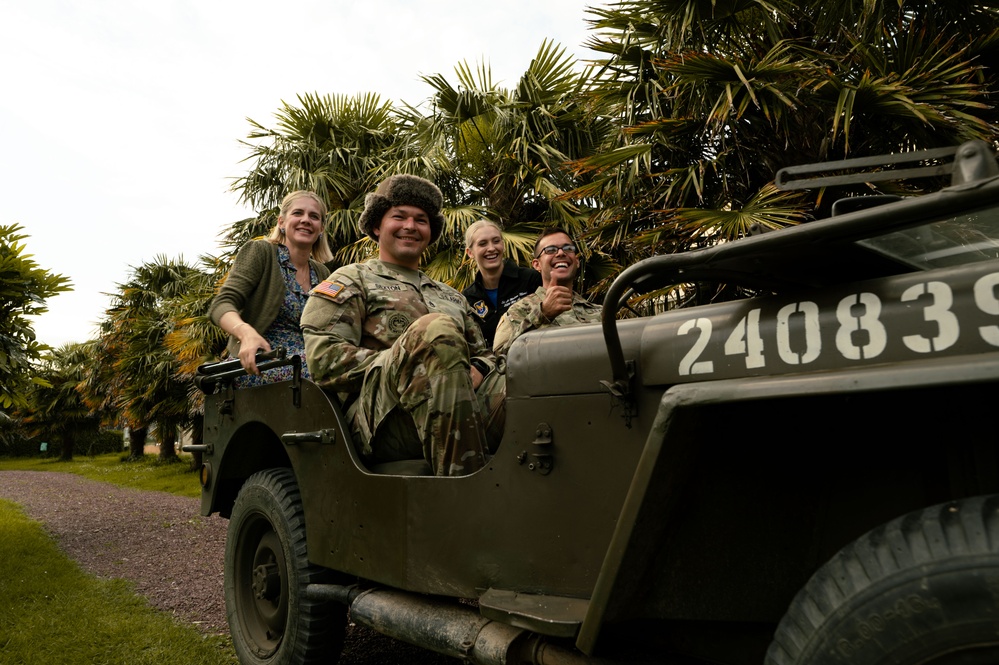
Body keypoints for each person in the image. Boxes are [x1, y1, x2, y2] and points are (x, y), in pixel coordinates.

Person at [301, 175, 504, 477]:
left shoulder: (450, 296)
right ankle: (463, 502)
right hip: (383, 419)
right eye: (399, 216)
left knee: (537, 379)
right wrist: (408, 362)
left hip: (461, 403)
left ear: (429, 232)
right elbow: (323, 359)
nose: (410, 226)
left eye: (421, 220)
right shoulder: (351, 279)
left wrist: (480, 368)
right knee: (435, 331)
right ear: (376, 226)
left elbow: (485, 354)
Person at [209, 190, 334, 384]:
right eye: (297, 213)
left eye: (314, 216)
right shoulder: (262, 253)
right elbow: (221, 305)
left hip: (312, 361)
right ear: (281, 222)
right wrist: (246, 333)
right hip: (262, 362)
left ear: (321, 229)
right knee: (328, 371)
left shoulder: (323, 274)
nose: (306, 220)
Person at [493, 227, 602, 357]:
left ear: (577, 262)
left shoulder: (600, 312)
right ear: (536, 264)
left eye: (568, 249)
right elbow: (501, 360)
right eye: (550, 250)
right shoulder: (518, 311)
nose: (561, 253)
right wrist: (542, 314)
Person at [462, 219, 542, 347]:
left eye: (496, 241)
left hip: (532, 355)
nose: (491, 248)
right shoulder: (468, 297)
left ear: (503, 245)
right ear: (470, 252)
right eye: (483, 244)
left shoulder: (530, 279)